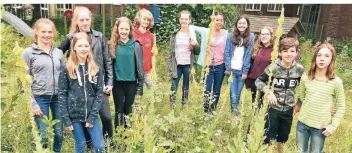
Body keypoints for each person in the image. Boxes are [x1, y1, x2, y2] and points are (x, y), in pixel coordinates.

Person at [59, 6, 114, 147]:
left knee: (106, 117)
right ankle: (89, 146)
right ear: (76, 21)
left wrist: (109, 81)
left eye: (87, 19)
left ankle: (106, 144)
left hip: (98, 85)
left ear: (91, 20)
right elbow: (58, 53)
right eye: (81, 20)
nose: (84, 22)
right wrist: (65, 69)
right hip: (78, 88)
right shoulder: (71, 38)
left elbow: (107, 60)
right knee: (83, 121)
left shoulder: (99, 36)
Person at [255, 37, 304, 153]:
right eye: (285, 51)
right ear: (280, 52)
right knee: (269, 137)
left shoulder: (299, 70)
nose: (288, 54)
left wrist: (298, 105)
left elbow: (304, 89)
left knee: (282, 138)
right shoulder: (273, 67)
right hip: (273, 108)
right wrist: (268, 92)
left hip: (288, 110)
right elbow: (258, 81)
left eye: (292, 51)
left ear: (297, 53)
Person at [22, 18, 64, 153]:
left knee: (59, 133)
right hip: (40, 98)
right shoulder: (28, 53)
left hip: (58, 97)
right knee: (43, 135)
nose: (47, 35)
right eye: (43, 32)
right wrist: (33, 104)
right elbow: (23, 80)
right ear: (36, 32)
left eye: (50, 32)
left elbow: (63, 75)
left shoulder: (58, 52)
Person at [58, 32, 105, 153]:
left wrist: (92, 116)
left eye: (86, 46)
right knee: (81, 144)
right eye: (80, 46)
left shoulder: (96, 68)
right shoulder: (66, 68)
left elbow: (99, 93)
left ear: (90, 47)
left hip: (91, 115)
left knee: (99, 146)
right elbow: (62, 94)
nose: (83, 49)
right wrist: (66, 119)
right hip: (74, 116)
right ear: (74, 47)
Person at [295, 42, 345, 153]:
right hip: (302, 124)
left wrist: (333, 126)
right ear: (315, 58)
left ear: (332, 60)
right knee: (300, 150)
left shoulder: (336, 82)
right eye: (319, 55)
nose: (322, 59)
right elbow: (303, 98)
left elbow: (341, 106)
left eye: (327, 56)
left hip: (320, 128)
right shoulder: (305, 78)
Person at [189, 12, 228, 113]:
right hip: (208, 66)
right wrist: (194, 40)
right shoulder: (206, 31)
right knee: (207, 89)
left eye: (221, 20)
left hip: (220, 65)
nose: (219, 22)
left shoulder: (226, 33)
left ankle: (212, 110)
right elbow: (191, 27)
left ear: (223, 22)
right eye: (217, 20)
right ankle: (205, 110)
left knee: (217, 90)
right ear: (212, 21)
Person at [109, 17, 144, 128]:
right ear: (117, 29)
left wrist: (139, 89)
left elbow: (140, 68)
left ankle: (127, 137)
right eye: (121, 28)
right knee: (119, 110)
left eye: (126, 29)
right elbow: (108, 67)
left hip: (131, 83)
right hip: (117, 83)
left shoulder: (136, 45)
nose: (123, 31)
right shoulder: (112, 45)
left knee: (128, 110)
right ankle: (119, 138)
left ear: (130, 30)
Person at [167, 10, 199, 109]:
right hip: (177, 65)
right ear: (179, 20)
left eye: (186, 19)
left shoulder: (192, 34)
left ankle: (183, 107)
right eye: (182, 19)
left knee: (186, 87)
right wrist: (169, 68)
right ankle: (172, 107)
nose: (184, 21)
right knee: (173, 86)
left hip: (188, 65)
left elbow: (198, 51)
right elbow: (170, 53)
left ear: (190, 20)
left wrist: (195, 45)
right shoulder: (175, 34)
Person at [224, 15, 255, 115]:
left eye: (244, 23)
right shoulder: (230, 35)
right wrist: (228, 68)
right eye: (240, 23)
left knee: (238, 94)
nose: (241, 25)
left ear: (247, 25)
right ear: (236, 24)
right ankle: (235, 114)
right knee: (233, 94)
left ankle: (234, 112)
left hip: (241, 71)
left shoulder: (251, 37)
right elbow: (227, 52)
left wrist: (245, 71)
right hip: (232, 70)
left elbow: (248, 55)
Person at [246, 26, 275, 108]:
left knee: (264, 106)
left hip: (266, 82)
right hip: (254, 81)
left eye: (266, 34)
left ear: (271, 36)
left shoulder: (274, 50)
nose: (264, 36)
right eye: (262, 34)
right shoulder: (257, 48)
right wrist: (248, 81)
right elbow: (251, 65)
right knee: (255, 104)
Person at [133, 8, 155, 88]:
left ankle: (152, 100)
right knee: (134, 89)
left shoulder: (151, 36)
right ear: (139, 19)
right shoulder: (132, 33)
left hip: (147, 68)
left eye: (148, 20)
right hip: (134, 68)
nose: (146, 22)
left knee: (151, 88)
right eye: (144, 19)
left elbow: (152, 52)